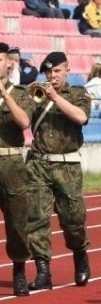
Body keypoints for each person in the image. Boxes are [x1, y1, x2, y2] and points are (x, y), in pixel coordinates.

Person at [26, 52, 91, 291]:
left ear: (67, 71)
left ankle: (80, 254)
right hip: (39, 164)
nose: (52, 76)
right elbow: (23, 120)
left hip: (67, 165)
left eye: (56, 72)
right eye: (48, 72)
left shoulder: (78, 93)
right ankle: (43, 270)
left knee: (73, 219)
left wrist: (54, 97)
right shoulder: (37, 95)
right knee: (36, 219)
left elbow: (81, 117)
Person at [0, 42, 34, 297]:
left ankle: (19, 268)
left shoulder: (22, 92)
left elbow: (24, 122)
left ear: (9, 63)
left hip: (11, 160)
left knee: (16, 221)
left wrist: (5, 94)